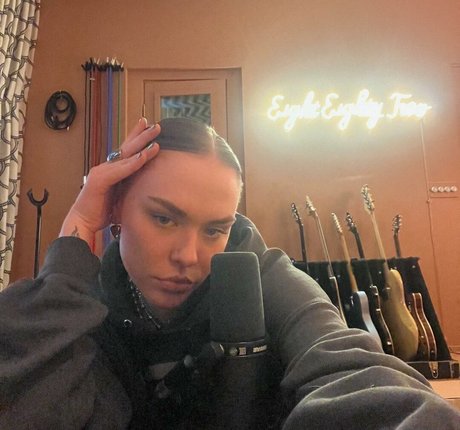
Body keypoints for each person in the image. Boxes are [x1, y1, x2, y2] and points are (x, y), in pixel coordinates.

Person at [0, 117, 459, 429]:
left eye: (215, 229)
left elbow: (348, 365)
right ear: (116, 206)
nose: (188, 256)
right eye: (164, 218)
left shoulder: (266, 277)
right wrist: (76, 233)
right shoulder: (80, 301)